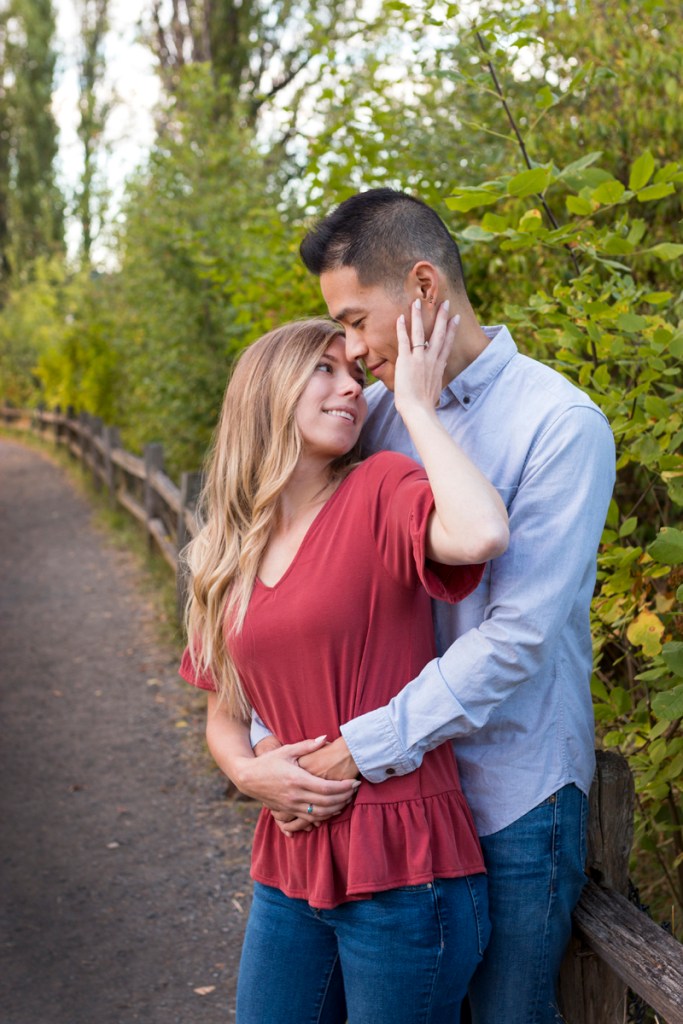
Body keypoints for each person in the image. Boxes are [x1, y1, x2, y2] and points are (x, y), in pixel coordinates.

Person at [245, 189, 617, 1024]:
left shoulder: (558, 425)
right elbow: (294, 578)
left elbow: (516, 640)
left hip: (507, 791)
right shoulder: (367, 418)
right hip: (387, 808)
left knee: (506, 1016)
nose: (348, 348)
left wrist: (358, 749)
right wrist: (263, 746)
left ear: (421, 289)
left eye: (353, 320)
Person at [179, 315, 509, 1024]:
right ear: (266, 392)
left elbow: (481, 531)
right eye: (324, 370)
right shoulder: (226, 549)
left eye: (356, 375)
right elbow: (223, 714)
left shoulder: (377, 488)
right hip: (288, 859)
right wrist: (245, 772)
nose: (351, 388)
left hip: (404, 865)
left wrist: (415, 405)